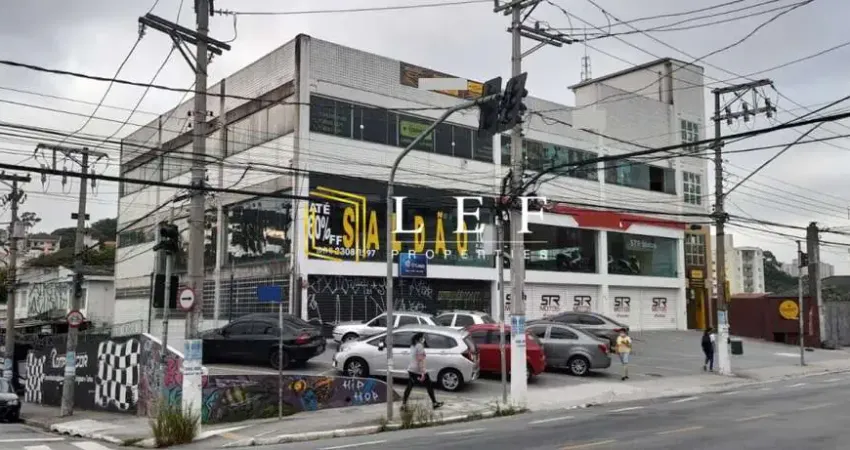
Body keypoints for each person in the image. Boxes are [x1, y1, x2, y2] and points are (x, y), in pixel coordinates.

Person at [401, 332, 444, 410]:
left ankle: (404, 404)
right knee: (429, 385)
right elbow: (420, 360)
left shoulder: (413, 345)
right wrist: (423, 372)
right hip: (418, 370)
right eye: (423, 338)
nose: (424, 339)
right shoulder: (420, 346)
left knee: (409, 387)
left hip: (411, 369)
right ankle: (434, 403)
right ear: (420, 338)